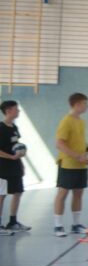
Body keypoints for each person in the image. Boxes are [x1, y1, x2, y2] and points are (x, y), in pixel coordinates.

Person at [54, 92, 88, 237]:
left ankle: (76, 225)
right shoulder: (66, 121)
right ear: (77, 104)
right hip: (68, 164)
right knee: (62, 194)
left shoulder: (82, 122)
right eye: (85, 103)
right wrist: (77, 156)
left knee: (78, 193)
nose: (87, 106)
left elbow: (80, 141)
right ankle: (58, 226)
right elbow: (59, 143)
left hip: (80, 165)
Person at [0, 100, 31, 234]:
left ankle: (12, 222)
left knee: (18, 192)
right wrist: (11, 157)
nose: (18, 111)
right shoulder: (1, 128)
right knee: (1, 195)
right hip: (3, 167)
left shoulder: (14, 127)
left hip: (15, 165)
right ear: (8, 111)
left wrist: (21, 163)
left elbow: (16, 145)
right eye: (16, 109)